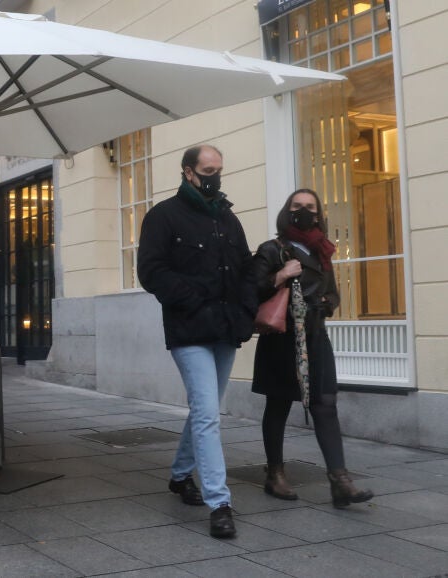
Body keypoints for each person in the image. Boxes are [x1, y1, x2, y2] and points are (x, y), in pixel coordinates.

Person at [137, 144, 256, 539]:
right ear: (188, 172)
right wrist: (192, 300)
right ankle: (219, 503)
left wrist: (249, 303)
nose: (214, 178)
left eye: (218, 170)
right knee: (207, 414)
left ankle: (179, 476)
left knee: (205, 409)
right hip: (189, 330)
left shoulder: (227, 217)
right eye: (207, 171)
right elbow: (151, 271)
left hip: (225, 329)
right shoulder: (163, 216)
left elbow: (243, 269)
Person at [252, 188, 373, 508]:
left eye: (310, 207)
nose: (304, 212)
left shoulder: (323, 250)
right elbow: (251, 289)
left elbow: (333, 293)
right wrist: (281, 274)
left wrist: (325, 302)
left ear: (319, 215)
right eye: (297, 206)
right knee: (278, 404)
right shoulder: (272, 249)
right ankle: (275, 474)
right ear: (286, 211)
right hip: (282, 338)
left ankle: (340, 480)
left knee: (326, 405)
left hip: (316, 338)